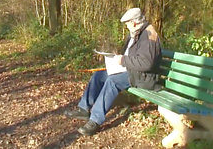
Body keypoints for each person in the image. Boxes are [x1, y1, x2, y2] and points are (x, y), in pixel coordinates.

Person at [64, 8, 162, 136]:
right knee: (99, 75)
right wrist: (116, 58)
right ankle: (83, 109)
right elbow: (130, 55)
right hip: (132, 71)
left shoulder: (149, 35)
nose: (126, 27)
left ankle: (95, 120)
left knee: (112, 81)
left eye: (127, 23)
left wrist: (123, 60)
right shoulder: (136, 32)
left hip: (144, 77)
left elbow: (147, 63)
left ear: (133, 22)